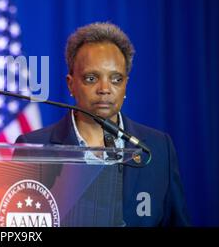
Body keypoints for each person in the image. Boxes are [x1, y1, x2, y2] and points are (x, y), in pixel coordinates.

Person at [16, 22, 190, 226]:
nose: (105, 89)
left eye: (116, 79)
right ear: (71, 84)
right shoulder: (33, 148)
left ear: (126, 84)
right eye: (91, 78)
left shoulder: (158, 147)